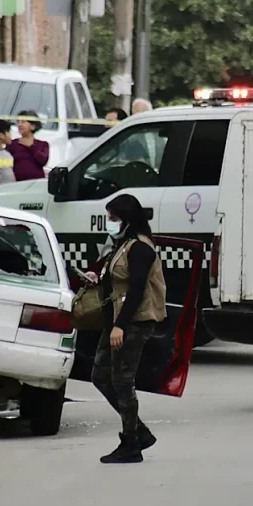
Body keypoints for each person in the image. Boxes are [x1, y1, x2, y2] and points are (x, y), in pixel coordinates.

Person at [87, 194, 167, 464]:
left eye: (114, 218)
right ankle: (139, 432)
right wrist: (98, 277)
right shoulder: (122, 244)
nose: (109, 222)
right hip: (116, 319)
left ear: (128, 219)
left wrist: (120, 326)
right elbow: (118, 279)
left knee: (122, 381)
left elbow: (136, 291)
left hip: (133, 321)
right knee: (100, 375)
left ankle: (131, 443)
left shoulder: (140, 248)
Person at [7, 112, 50, 181]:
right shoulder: (12, 144)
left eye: (23, 122)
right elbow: (5, 162)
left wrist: (31, 147)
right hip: (17, 183)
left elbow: (43, 161)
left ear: (33, 126)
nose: (19, 125)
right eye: (18, 122)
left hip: (37, 182)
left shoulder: (43, 144)